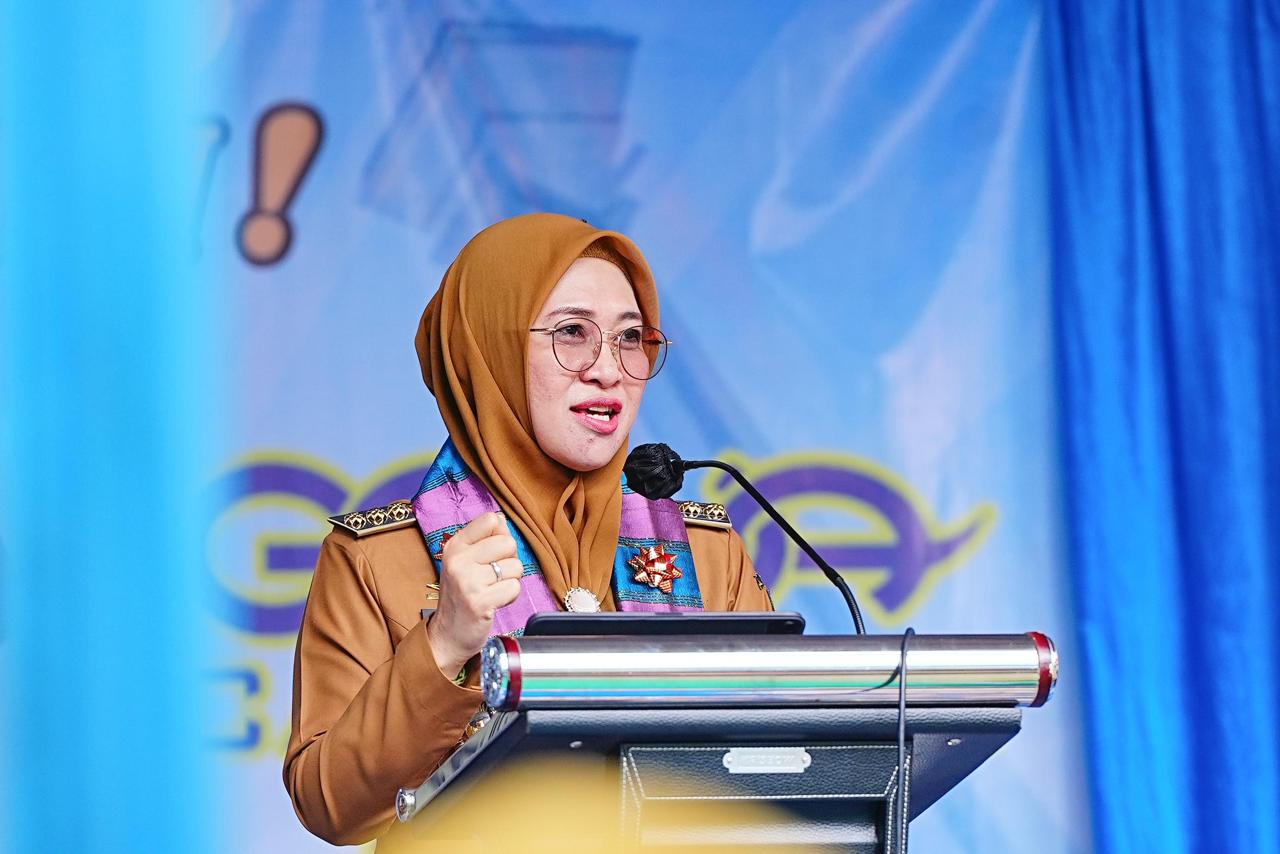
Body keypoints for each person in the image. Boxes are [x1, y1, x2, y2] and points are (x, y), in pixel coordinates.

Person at [283, 213, 772, 846]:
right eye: (572, 332)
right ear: (488, 350)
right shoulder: (377, 559)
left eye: (630, 338)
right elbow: (331, 806)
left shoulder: (706, 550)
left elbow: (779, 770)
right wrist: (443, 645)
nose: (608, 369)